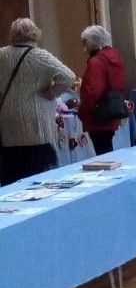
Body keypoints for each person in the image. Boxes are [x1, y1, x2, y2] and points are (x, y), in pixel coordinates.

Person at [0, 18, 78, 184]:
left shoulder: (2, 55)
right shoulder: (40, 56)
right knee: (36, 178)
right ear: (34, 34)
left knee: (11, 177)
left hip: (8, 122)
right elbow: (68, 76)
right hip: (36, 123)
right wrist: (51, 93)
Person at [77, 25, 128, 155]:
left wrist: (82, 111)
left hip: (98, 115)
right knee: (106, 148)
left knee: (102, 151)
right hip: (112, 111)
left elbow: (92, 91)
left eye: (85, 42)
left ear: (91, 42)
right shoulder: (113, 57)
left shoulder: (96, 62)